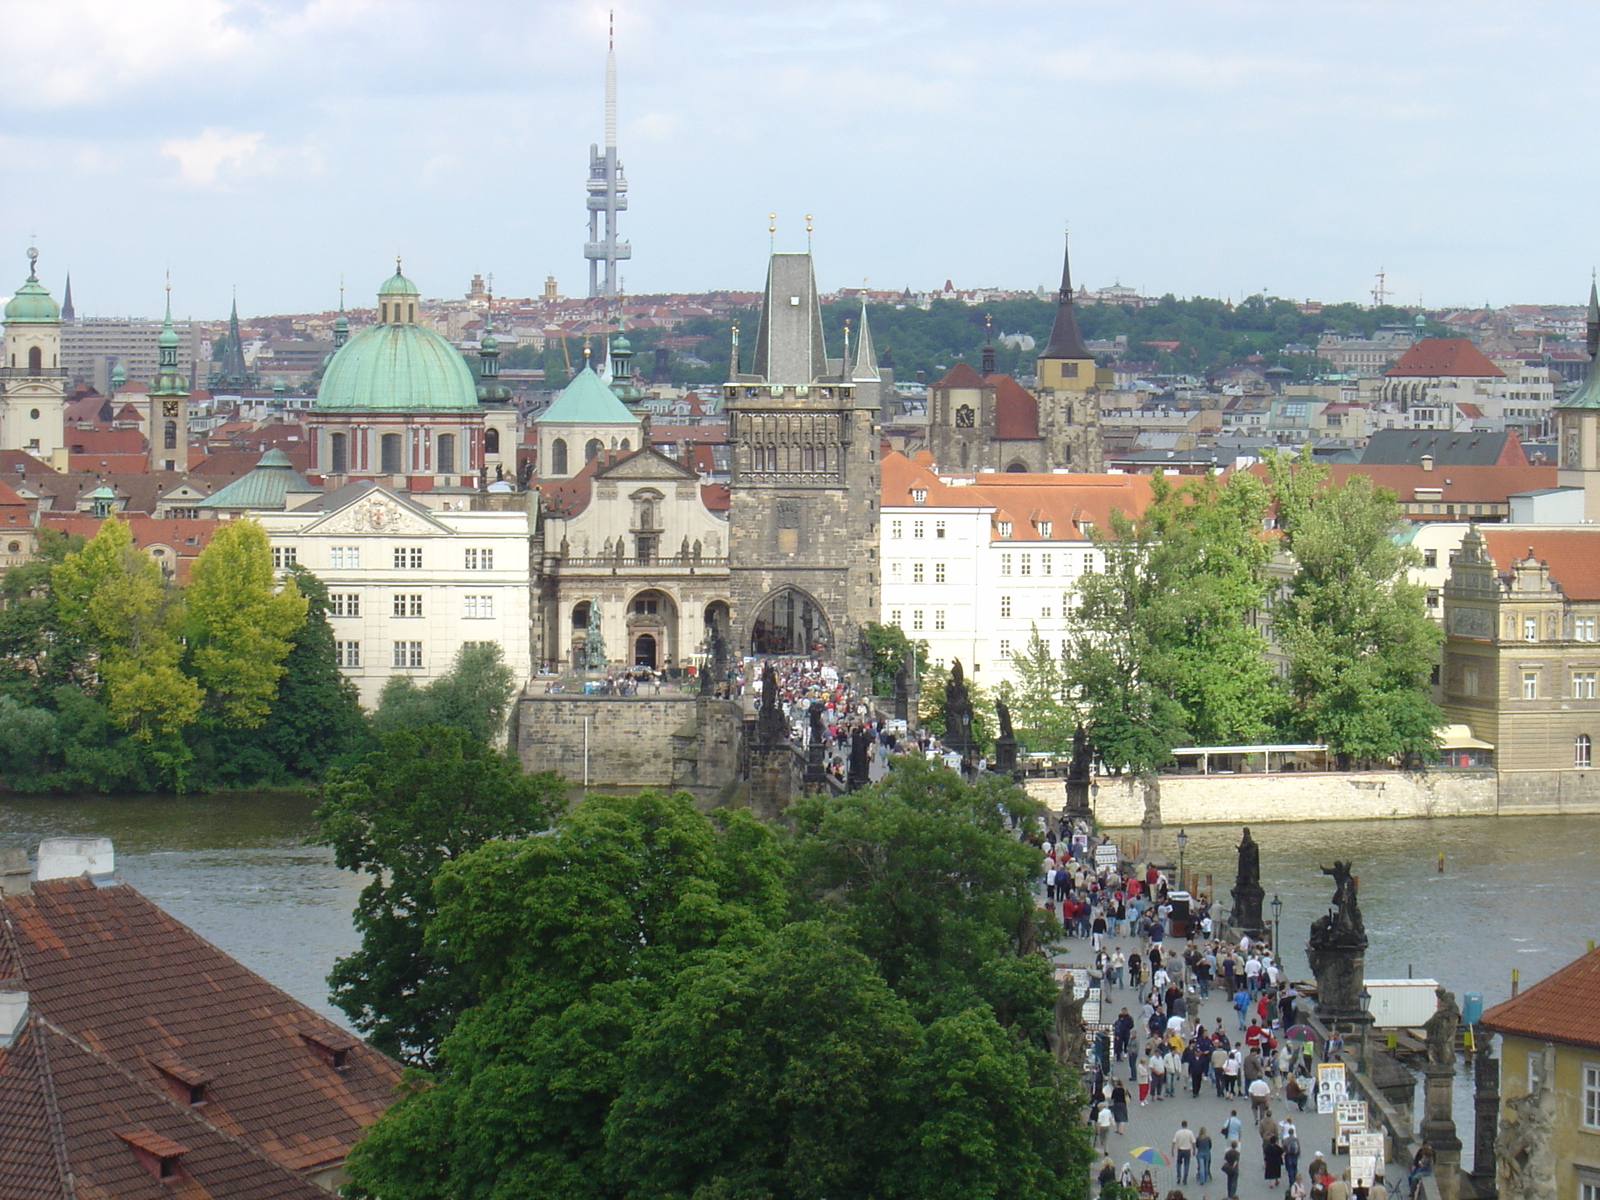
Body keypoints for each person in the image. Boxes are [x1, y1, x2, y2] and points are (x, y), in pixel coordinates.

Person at [1172, 1119, 1197, 1185]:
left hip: (1180, 1150)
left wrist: (1172, 1151)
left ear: (1181, 1125)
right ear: (1187, 1125)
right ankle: (1185, 1179)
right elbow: (1193, 1142)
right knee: (1186, 1164)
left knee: (1178, 1164)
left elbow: (1174, 1142)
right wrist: (1194, 1150)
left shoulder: (1178, 1133)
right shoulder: (1190, 1132)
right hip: (1187, 1150)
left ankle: (1179, 1177)